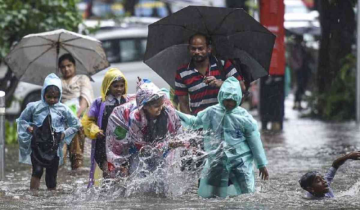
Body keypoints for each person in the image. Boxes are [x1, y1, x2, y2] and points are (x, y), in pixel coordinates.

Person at [176, 76, 269, 198]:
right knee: (213, 195)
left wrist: (261, 164)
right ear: (221, 97)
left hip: (239, 162)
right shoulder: (211, 112)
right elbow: (194, 122)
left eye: (232, 100)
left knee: (246, 195)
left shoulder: (245, 118)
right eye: (226, 99)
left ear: (238, 99)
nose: (229, 103)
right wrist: (174, 113)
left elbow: (255, 142)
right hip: (217, 161)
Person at [106, 79, 182, 177]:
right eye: (156, 106)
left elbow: (177, 130)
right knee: (133, 169)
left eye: (161, 104)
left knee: (165, 168)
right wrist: (167, 145)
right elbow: (142, 147)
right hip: (122, 127)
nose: (160, 108)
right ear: (144, 107)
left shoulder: (168, 110)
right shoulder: (134, 118)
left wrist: (177, 143)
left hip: (153, 137)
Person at [17, 73, 80, 190]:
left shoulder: (63, 108)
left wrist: (64, 134)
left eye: (55, 97)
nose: (52, 100)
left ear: (60, 95)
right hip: (37, 145)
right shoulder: (34, 107)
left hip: (54, 146)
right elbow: (22, 120)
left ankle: (51, 200)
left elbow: (76, 124)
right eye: (49, 96)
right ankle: (33, 195)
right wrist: (28, 127)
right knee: (37, 171)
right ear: (43, 94)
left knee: (51, 177)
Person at [81, 68, 135, 187]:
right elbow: (87, 121)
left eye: (122, 85)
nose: (119, 89)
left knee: (124, 172)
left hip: (122, 144)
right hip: (103, 144)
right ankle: (107, 194)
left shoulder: (127, 101)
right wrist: (95, 131)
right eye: (116, 86)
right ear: (108, 86)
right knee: (107, 171)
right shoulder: (100, 103)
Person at [175, 33, 243, 116]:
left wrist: (222, 84)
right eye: (193, 48)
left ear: (209, 49)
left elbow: (241, 87)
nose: (197, 52)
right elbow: (183, 104)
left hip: (225, 122)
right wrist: (191, 123)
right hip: (200, 125)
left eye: (200, 48)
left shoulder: (223, 64)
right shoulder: (182, 73)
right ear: (189, 49)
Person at [59, 53, 94, 170]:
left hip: (79, 117)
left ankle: (77, 165)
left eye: (69, 65)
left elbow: (85, 100)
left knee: (75, 128)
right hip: (61, 119)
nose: (66, 69)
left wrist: (75, 116)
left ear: (74, 66)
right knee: (59, 157)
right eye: (63, 67)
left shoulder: (82, 79)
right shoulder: (57, 82)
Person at [289, 35, 310, 110]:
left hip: (303, 69)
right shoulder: (295, 48)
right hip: (299, 69)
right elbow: (293, 59)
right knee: (299, 85)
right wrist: (297, 66)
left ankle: (299, 102)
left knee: (302, 86)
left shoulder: (302, 47)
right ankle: (296, 102)